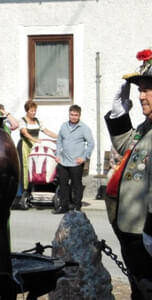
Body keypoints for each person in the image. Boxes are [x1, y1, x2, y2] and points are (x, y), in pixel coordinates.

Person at [105, 48, 152, 300]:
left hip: (147, 235)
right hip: (132, 232)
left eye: (147, 89)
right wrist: (119, 114)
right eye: (139, 90)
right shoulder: (146, 127)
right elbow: (128, 148)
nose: (141, 96)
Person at [54, 105, 94, 214]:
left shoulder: (84, 128)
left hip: (76, 162)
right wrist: (57, 154)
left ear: (79, 115)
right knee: (63, 185)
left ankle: (77, 206)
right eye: (72, 114)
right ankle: (64, 206)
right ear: (69, 114)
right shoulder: (64, 126)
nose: (73, 117)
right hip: (63, 161)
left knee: (77, 186)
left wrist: (84, 157)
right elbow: (59, 141)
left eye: (76, 115)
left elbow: (91, 143)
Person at [16, 100, 57, 199]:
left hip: (35, 147)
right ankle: (24, 191)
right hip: (25, 146)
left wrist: (58, 136)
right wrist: (35, 139)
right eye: (31, 111)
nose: (33, 113)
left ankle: (32, 188)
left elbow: (46, 131)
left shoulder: (37, 121)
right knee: (25, 167)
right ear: (27, 111)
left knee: (34, 167)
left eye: (35, 111)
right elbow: (25, 133)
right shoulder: (22, 121)